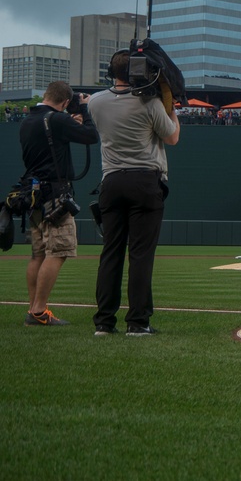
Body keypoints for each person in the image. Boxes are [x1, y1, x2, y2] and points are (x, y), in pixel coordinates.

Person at [89, 50, 181, 336]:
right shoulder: (150, 102)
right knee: (140, 255)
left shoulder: (95, 102)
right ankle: (138, 323)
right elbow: (173, 137)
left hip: (112, 181)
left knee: (111, 253)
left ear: (110, 72)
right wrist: (171, 106)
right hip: (144, 181)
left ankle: (104, 322)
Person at [19, 81, 99, 326]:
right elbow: (91, 136)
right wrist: (85, 110)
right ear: (65, 102)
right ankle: (39, 310)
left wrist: (67, 123)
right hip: (55, 196)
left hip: (32, 194)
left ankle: (34, 309)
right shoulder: (57, 120)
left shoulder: (28, 121)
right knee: (60, 251)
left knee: (38, 254)